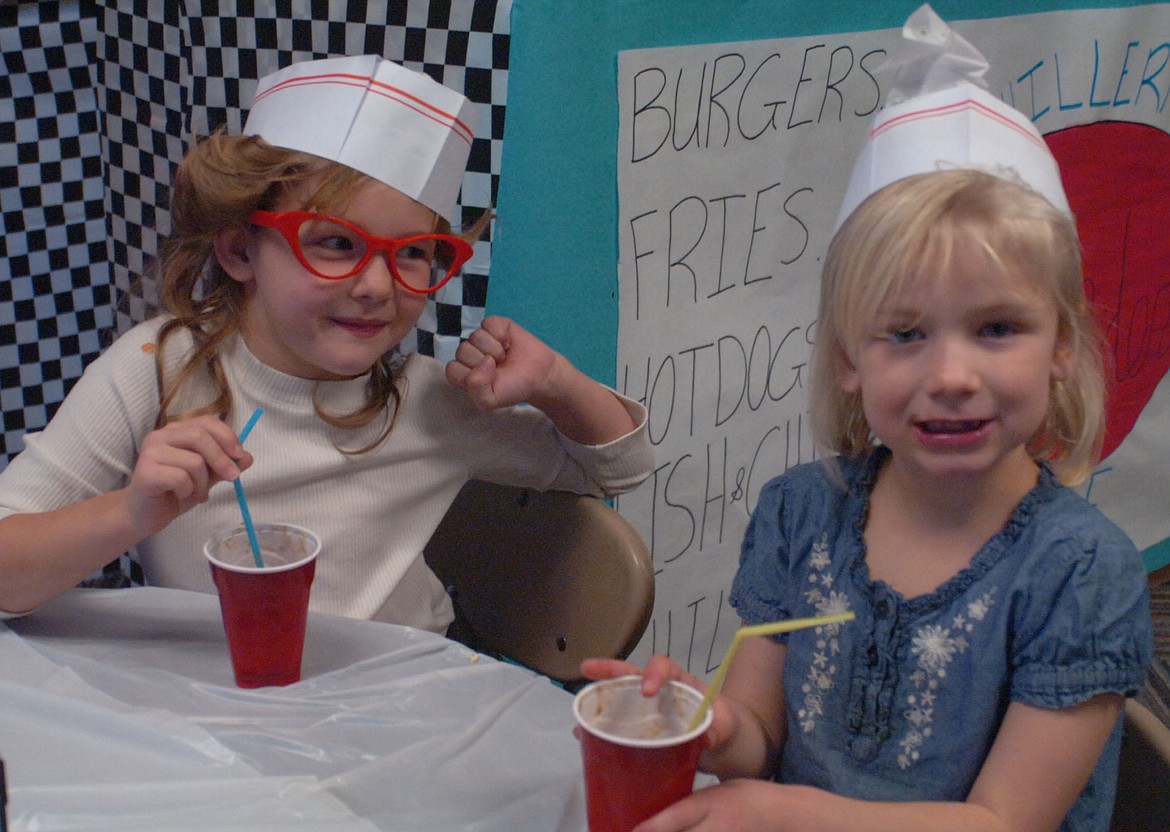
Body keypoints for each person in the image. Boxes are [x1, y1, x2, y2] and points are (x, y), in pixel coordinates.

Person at [582, 8, 1152, 832]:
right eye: (905, 334)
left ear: (1062, 344)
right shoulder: (800, 514)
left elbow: (1003, 822)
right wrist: (714, 730)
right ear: (850, 358)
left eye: (997, 328)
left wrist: (778, 813)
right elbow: (764, 737)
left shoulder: (1079, 573)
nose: (952, 377)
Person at [0, 55, 655, 632]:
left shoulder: (429, 400)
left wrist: (557, 384)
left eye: (415, 253)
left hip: (403, 703)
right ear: (238, 249)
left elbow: (618, 468)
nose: (376, 286)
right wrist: (131, 513)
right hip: (228, 712)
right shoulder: (159, 369)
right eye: (336, 243)